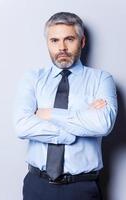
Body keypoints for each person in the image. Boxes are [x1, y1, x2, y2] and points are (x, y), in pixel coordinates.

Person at [13, 12, 118, 200]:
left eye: (69, 39)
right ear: (48, 43)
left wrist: (48, 113)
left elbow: (103, 125)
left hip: (82, 188)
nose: (62, 47)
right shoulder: (32, 79)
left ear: (82, 41)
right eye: (54, 40)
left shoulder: (101, 79)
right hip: (37, 185)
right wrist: (76, 126)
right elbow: (22, 126)